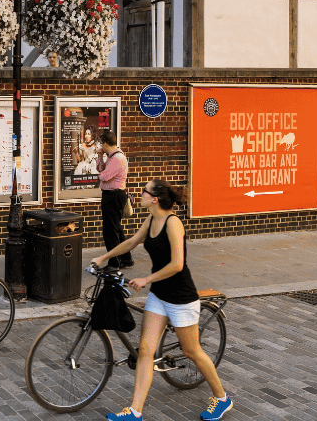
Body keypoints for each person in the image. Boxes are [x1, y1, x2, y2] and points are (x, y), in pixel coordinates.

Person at [91, 179, 232, 421]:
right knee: (145, 350)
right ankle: (134, 412)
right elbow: (132, 241)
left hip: (180, 298)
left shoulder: (173, 223)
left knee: (191, 351)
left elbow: (177, 264)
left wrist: (146, 278)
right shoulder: (152, 219)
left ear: (154, 198)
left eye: (144, 191)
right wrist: (103, 257)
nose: (140, 193)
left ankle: (222, 398)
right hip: (159, 295)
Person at [96, 129, 133, 269]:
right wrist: (100, 158)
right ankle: (126, 258)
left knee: (110, 231)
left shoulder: (117, 158)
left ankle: (114, 263)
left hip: (113, 196)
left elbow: (103, 176)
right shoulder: (111, 157)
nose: (100, 147)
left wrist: (102, 174)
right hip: (112, 195)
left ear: (105, 144)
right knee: (116, 229)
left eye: (101, 144)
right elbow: (100, 169)